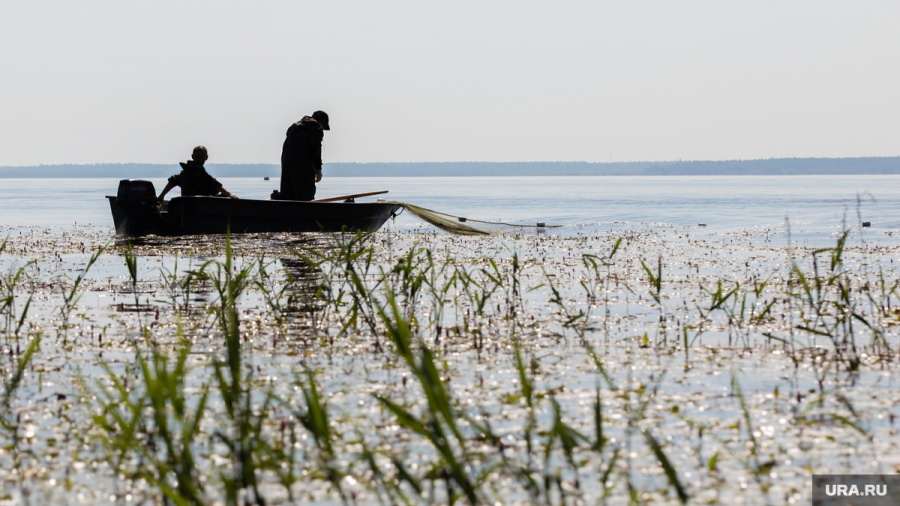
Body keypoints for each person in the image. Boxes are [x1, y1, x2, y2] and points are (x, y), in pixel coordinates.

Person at [275, 110, 329, 201]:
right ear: (322, 121)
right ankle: (306, 213)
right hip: (302, 164)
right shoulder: (316, 127)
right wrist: (318, 169)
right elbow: (316, 149)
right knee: (306, 194)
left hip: (286, 163)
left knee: (288, 194)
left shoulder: (293, 126)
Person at [156, 145, 238, 205]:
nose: (200, 159)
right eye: (198, 156)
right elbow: (215, 184)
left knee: (220, 195)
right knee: (223, 195)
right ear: (193, 156)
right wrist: (161, 196)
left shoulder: (189, 172)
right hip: (196, 206)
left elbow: (214, 184)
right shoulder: (190, 173)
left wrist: (162, 195)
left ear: (206, 157)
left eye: (202, 156)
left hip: (194, 205)